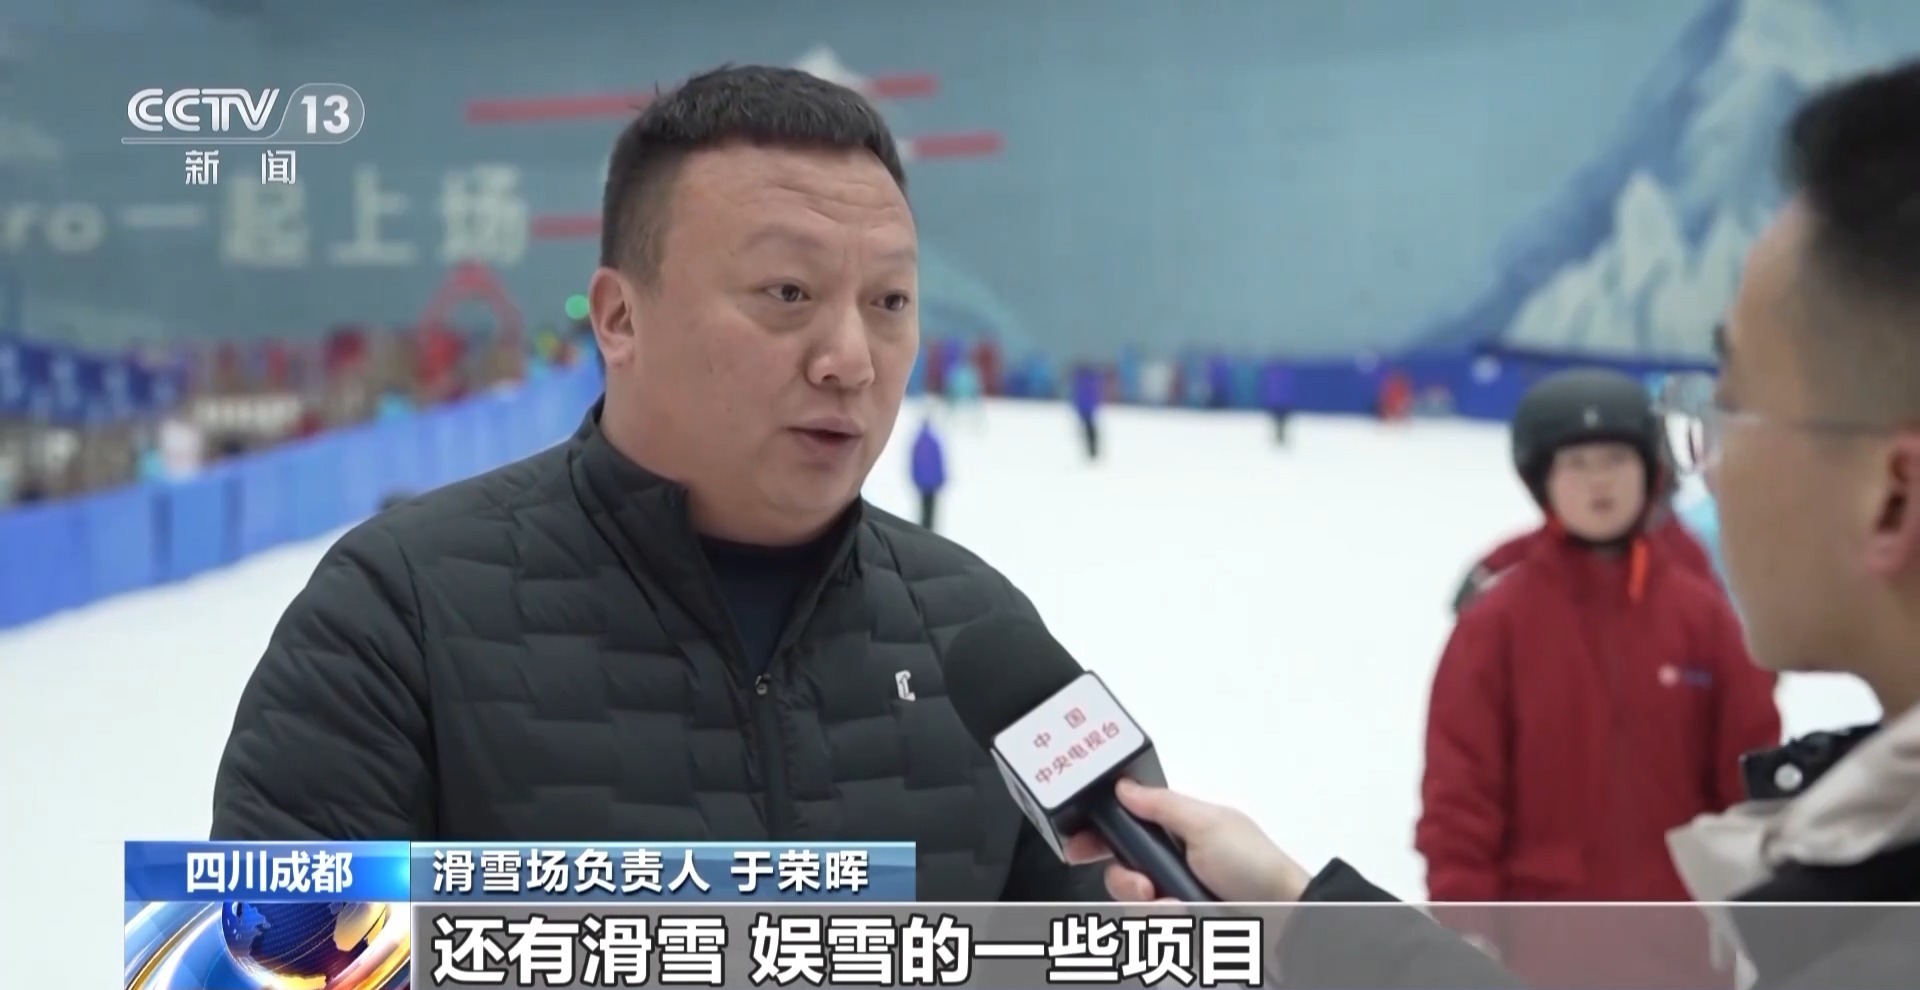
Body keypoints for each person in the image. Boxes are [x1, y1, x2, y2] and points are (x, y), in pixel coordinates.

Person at [1075, 60, 1920, 990]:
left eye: (1735, 406)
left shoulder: (1708, 631)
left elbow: (1731, 775)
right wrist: (1295, 904)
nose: (1707, 464)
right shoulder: (1504, 620)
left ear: (1892, 494)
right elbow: (1461, 802)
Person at [209, 65, 1104, 905]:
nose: (850, 361)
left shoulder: (980, 633)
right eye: (788, 292)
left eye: (890, 302)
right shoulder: (395, 618)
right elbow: (273, 964)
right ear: (620, 318)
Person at [1417, 367, 1782, 986]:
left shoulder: (1704, 618)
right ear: (1542, 479)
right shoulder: (1496, 626)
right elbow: (1460, 800)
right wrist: (1465, 928)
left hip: (1682, 954)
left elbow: (1749, 787)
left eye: (1615, 459)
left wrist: (1765, 919)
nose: (1599, 481)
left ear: (1649, 471)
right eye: (1577, 464)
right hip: (1538, 954)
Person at [911, 417, 945, 531]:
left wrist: (915, 478)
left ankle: (923, 529)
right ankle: (930, 530)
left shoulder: (918, 442)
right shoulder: (934, 441)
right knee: (931, 510)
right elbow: (939, 461)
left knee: (923, 508)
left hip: (922, 483)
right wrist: (941, 478)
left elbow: (914, 463)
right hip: (933, 483)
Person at [1071, 363, 1103, 460]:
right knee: (1090, 431)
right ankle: (1092, 451)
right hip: (1089, 410)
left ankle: (1091, 451)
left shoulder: (1080, 382)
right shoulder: (1090, 381)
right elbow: (1095, 396)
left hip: (1085, 410)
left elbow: (1077, 397)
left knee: (1088, 431)